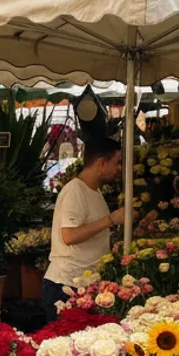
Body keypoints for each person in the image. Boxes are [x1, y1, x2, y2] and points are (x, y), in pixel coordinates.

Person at [43, 136, 130, 322]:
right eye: (116, 162)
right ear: (101, 163)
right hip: (66, 285)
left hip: (84, 284)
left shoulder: (94, 191)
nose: (119, 169)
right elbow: (69, 235)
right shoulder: (75, 192)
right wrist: (110, 220)